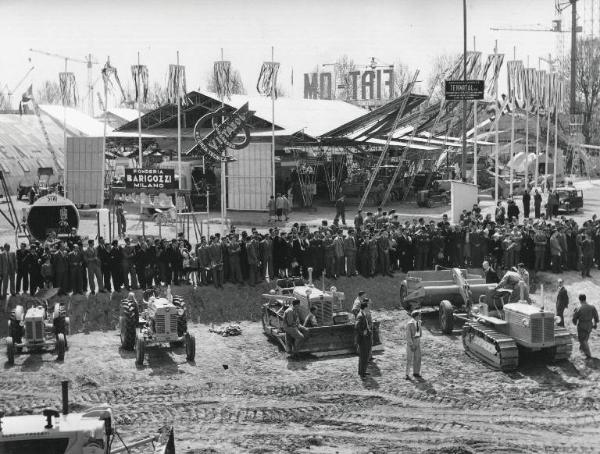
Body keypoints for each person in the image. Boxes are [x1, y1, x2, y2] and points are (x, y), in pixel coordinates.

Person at [572, 294, 599, 359]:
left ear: (580, 300)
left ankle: (588, 354)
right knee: (585, 339)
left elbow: (574, 318)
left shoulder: (579, 308)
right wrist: (595, 324)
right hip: (589, 325)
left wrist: (575, 323)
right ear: (585, 299)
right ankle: (581, 351)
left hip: (582, 326)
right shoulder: (592, 307)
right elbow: (596, 317)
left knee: (583, 340)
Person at [354, 300, 372, 379]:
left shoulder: (363, 314)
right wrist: (363, 332)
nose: (369, 308)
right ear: (365, 307)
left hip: (365, 338)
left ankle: (362, 371)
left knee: (365, 356)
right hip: (363, 339)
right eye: (368, 306)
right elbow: (356, 326)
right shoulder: (360, 315)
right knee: (363, 356)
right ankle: (362, 373)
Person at [406, 310, 422, 380]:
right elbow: (408, 336)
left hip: (417, 342)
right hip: (411, 344)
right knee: (409, 359)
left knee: (418, 358)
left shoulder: (419, 322)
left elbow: (419, 333)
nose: (420, 316)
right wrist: (411, 344)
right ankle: (407, 374)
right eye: (419, 315)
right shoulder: (409, 324)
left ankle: (416, 373)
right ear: (415, 316)